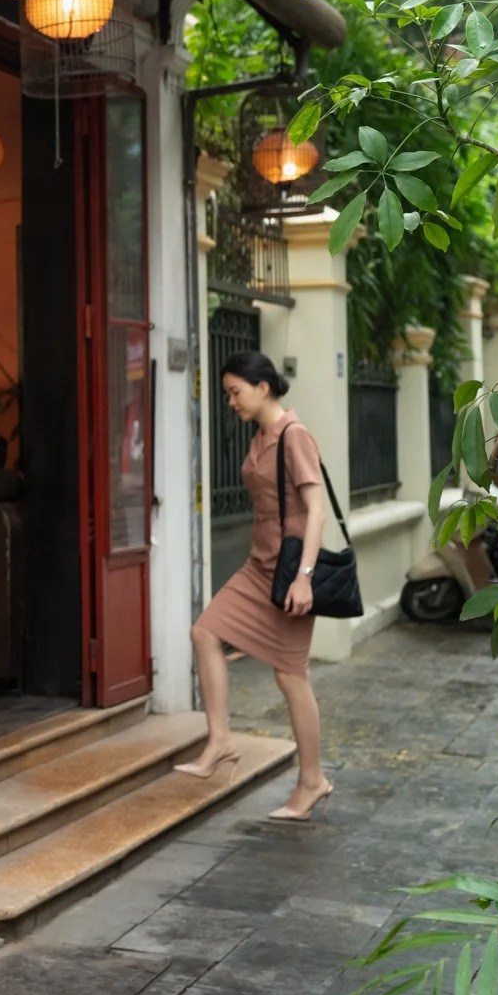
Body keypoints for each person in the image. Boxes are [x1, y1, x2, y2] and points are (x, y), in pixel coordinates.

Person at [174, 349, 335, 822]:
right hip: (257, 566)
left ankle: (312, 780)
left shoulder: (294, 435)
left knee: (290, 675)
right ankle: (220, 740)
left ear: (262, 387)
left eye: (235, 392)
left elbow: (316, 510)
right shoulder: (262, 436)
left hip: (289, 572)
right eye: (227, 394)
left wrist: (304, 578)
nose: (231, 401)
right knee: (204, 632)